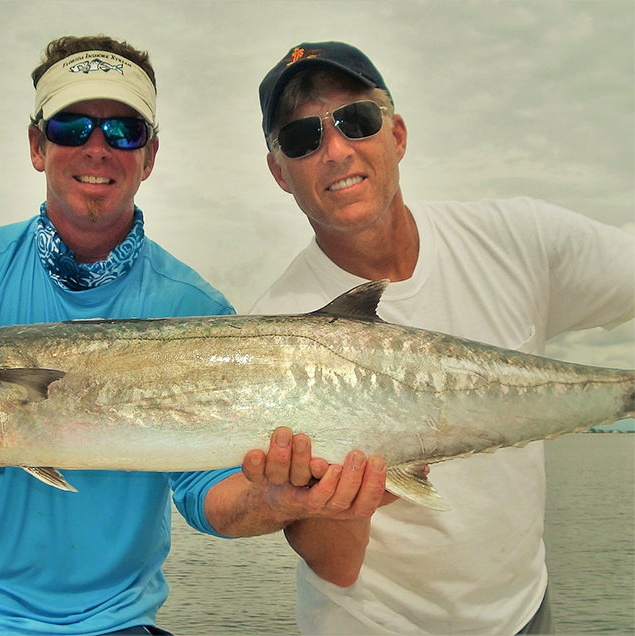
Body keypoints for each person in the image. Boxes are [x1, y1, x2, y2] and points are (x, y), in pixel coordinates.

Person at [0, 35, 385, 636]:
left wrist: (284, 502)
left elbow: (205, 492)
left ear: (149, 157)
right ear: (37, 145)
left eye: (123, 131)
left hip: (111, 622)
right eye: (71, 126)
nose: (97, 148)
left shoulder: (195, 309)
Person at [253, 40, 635, 634]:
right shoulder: (273, 331)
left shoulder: (517, 239)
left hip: (526, 613)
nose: (335, 150)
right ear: (280, 172)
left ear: (397, 134)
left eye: (357, 120)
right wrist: (338, 506)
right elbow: (335, 564)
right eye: (302, 138)